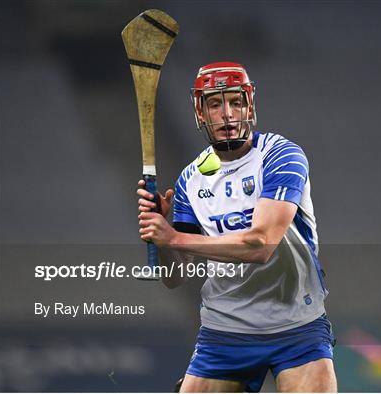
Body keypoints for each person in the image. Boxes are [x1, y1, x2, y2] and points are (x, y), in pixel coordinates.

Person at [137, 62, 337, 392]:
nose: (227, 114)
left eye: (235, 102)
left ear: (250, 105)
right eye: (215, 104)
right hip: (224, 332)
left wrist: (174, 236)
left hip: (296, 325)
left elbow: (261, 245)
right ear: (201, 113)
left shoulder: (281, 156)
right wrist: (161, 238)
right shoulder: (190, 179)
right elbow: (175, 277)